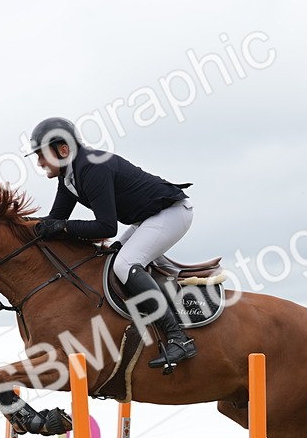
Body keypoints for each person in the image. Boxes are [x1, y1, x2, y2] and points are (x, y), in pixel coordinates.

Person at [28, 116, 197, 370]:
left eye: (41, 154)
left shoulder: (92, 168)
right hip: (146, 219)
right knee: (110, 259)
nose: (39, 162)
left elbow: (106, 227)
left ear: (63, 150)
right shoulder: (68, 178)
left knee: (124, 264)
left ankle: (179, 338)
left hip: (171, 213)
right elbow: (54, 221)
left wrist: (61, 227)